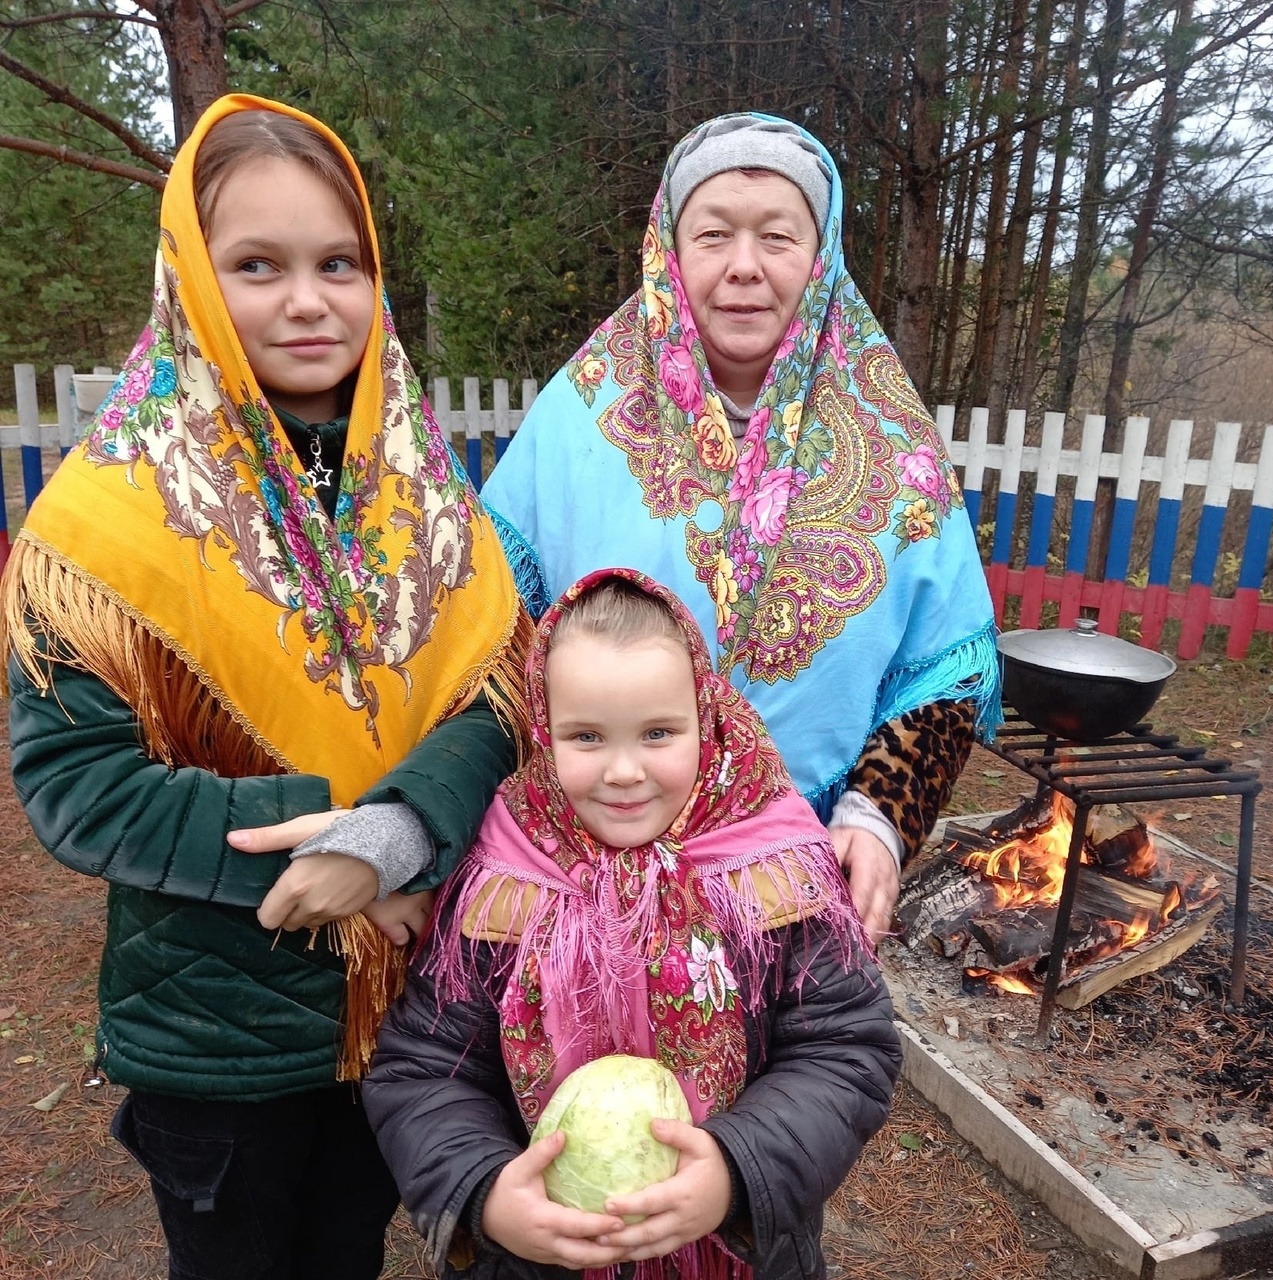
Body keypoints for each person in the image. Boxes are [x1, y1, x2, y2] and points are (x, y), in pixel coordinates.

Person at [1, 94, 530, 1280]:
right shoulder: (102, 522)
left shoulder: (428, 497)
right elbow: (80, 788)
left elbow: (501, 705)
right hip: (217, 1035)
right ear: (190, 275)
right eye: (257, 264)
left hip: (404, 1014)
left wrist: (395, 834)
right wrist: (323, 858)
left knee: (351, 1249)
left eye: (337, 262)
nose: (307, 299)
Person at [482, 113, 1000, 945]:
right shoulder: (580, 415)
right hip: (584, 869)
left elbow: (943, 669)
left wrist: (878, 816)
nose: (745, 267)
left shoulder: (895, 442)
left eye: (779, 237)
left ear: (820, 257)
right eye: (714, 234)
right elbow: (490, 637)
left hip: (791, 886)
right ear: (670, 253)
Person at [364, 568, 901, 1280]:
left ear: (705, 721)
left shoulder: (776, 872)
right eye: (586, 736)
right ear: (542, 731)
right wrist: (487, 1194)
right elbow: (424, 1068)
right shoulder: (500, 878)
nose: (623, 771)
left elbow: (846, 1049)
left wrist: (736, 1171)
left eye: (657, 733)